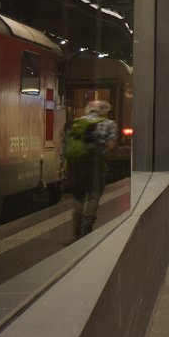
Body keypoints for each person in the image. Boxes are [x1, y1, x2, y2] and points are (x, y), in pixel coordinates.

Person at [65, 100, 118, 237]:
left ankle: (76, 226)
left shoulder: (76, 122)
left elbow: (67, 143)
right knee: (94, 194)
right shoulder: (108, 123)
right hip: (96, 164)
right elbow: (111, 145)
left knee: (78, 195)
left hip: (77, 164)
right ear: (102, 111)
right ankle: (87, 224)